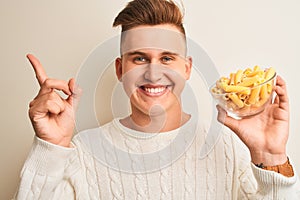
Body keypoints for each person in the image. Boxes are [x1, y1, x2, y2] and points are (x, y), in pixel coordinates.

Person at [15, 0, 300, 199]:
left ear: (186, 68)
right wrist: (50, 148)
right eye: (139, 58)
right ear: (120, 69)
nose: (153, 73)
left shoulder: (228, 148)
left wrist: (270, 156)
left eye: (167, 58)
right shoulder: (83, 153)